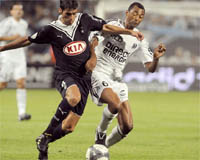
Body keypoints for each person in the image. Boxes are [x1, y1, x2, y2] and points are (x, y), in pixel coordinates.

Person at [0, 0, 144, 159]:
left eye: (74, 13)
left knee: (69, 127)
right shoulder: (51, 29)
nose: (72, 17)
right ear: (60, 11)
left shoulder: (84, 19)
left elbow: (106, 27)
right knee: (73, 97)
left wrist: (129, 32)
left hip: (84, 78)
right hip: (65, 75)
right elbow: (27, 40)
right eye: (68, 14)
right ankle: (47, 132)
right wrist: (3, 47)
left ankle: (44, 141)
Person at [89, 2, 166, 148]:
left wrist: (155, 58)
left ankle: (102, 148)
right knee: (115, 103)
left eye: (141, 16)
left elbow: (150, 68)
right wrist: (129, 32)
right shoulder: (113, 24)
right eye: (135, 13)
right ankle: (100, 133)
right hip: (98, 73)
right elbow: (99, 34)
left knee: (127, 126)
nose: (137, 18)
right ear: (127, 13)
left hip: (116, 80)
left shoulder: (140, 39)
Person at [0, 3, 31, 121]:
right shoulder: (7, 22)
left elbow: (23, 40)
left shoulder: (24, 23)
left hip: (20, 57)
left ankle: (22, 113)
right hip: (7, 57)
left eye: (20, 10)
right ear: (11, 11)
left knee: (21, 83)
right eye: (16, 9)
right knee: (3, 85)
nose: (19, 11)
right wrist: (13, 38)